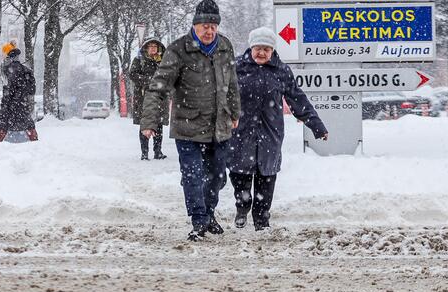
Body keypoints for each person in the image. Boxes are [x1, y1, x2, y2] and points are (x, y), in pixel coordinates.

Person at [140, 0, 241, 241]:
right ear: (195, 25)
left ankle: (208, 212)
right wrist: (149, 121)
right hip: (188, 126)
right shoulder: (178, 50)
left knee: (217, 176)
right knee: (193, 175)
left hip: (219, 126)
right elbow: (157, 88)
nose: (210, 31)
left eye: (214, 26)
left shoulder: (225, 47)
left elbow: (232, 84)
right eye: (205, 25)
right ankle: (199, 220)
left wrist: (235, 112)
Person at [227, 27, 328, 231]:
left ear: (272, 50)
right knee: (239, 174)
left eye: (266, 49)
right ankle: (243, 205)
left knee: (267, 175)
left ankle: (262, 219)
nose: (261, 53)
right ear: (251, 47)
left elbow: (297, 99)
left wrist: (316, 125)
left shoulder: (281, 70)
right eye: (258, 48)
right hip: (241, 131)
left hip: (269, 133)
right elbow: (221, 94)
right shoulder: (236, 67)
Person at [129, 38, 169, 161]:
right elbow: (133, 74)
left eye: (155, 46)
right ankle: (144, 153)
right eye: (150, 46)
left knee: (159, 125)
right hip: (143, 98)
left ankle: (158, 151)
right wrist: (148, 80)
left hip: (160, 97)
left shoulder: (163, 61)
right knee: (145, 124)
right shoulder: (139, 60)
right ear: (146, 48)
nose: (153, 48)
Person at [0, 42, 38, 143]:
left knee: (2, 122)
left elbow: (9, 88)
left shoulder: (9, 69)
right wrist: (23, 95)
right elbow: (32, 89)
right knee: (27, 122)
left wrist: (9, 101)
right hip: (23, 102)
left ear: (10, 57)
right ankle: (35, 141)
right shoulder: (26, 70)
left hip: (10, 103)